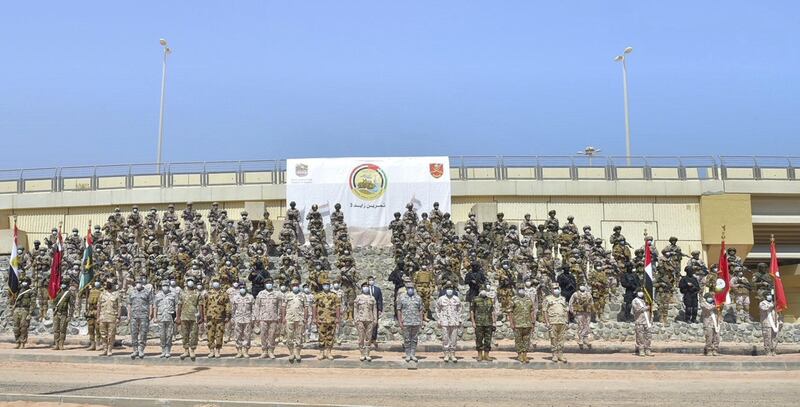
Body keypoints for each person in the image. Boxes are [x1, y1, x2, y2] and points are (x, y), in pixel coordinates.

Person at [254, 280, 283, 359]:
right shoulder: (261, 294)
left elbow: (279, 307)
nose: (268, 284)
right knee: (263, 335)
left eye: (270, 283)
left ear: (272, 284)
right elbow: (257, 306)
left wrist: (279, 317)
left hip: (273, 318)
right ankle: (264, 351)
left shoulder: (277, 294)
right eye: (267, 283)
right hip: (263, 318)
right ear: (264, 284)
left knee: (272, 335)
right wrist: (256, 317)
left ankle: (271, 351)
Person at [177, 278, 203, 361]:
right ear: (186, 283)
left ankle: (192, 350)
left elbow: (200, 305)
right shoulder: (182, 293)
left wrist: (201, 316)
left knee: (194, 334)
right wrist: (178, 317)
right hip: (184, 316)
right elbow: (179, 305)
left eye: (192, 281)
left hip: (194, 316)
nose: (190, 282)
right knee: (185, 334)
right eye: (189, 281)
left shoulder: (198, 293)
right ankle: (186, 350)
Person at [314, 281, 341, 360]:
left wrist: (337, 318)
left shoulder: (334, 295)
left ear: (330, 286)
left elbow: (338, 307)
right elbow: (314, 307)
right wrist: (314, 317)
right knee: (321, 336)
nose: (326, 286)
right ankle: (321, 353)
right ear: (322, 286)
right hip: (321, 319)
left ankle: (329, 352)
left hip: (331, 319)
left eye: (327, 285)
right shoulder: (318, 295)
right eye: (324, 284)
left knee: (330, 336)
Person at [397, 283, 424, 362]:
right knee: (407, 339)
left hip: (416, 322)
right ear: (406, 288)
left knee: (414, 339)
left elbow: (421, 310)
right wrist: (400, 321)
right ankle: (408, 354)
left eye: (411, 288)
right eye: (408, 288)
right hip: (406, 322)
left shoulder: (418, 298)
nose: (410, 289)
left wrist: (421, 321)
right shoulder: (402, 298)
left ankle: (413, 354)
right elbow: (399, 310)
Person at [435, 284, 462, 363]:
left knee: (454, 338)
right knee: (445, 338)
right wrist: (439, 318)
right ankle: (446, 354)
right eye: (447, 288)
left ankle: (453, 354)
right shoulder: (441, 299)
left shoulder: (456, 299)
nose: (449, 290)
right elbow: (437, 309)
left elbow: (460, 309)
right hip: (445, 321)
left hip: (454, 321)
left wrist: (459, 318)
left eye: (451, 288)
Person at [128, 278, 154, 359]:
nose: (138, 284)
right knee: (134, 332)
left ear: (142, 283)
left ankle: (141, 349)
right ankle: (135, 350)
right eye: (137, 282)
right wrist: (129, 315)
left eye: (140, 282)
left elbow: (150, 304)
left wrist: (150, 314)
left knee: (143, 332)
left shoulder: (147, 292)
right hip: (134, 316)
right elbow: (129, 304)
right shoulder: (131, 292)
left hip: (144, 315)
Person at [205, 280, 231, 358]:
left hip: (220, 317)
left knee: (219, 334)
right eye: (214, 282)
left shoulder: (224, 294)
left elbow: (227, 305)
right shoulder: (208, 293)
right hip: (210, 317)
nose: (216, 283)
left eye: (217, 282)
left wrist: (227, 316)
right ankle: (211, 350)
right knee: (210, 334)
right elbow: (204, 305)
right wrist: (204, 316)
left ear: (220, 284)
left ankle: (217, 350)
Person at [353, 282, 378, 362]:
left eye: (367, 287)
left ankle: (367, 353)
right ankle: (362, 353)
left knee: (369, 337)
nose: (365, 288)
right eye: (364, 287)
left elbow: (375, 310)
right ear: (362, 288)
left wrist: (375, 319)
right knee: (361, 337)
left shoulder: (372, 298)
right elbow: (355, 309)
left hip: (370, 319)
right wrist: (356, 319)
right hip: (360, 319)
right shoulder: (358, 298)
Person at [543, 283, 568, 363]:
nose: (556, 290)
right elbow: (544, 311)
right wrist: (546, 322)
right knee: (553, 338)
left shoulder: (563, 299)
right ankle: (554, 354)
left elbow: (566, 310)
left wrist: (566, 320)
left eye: (557, 288)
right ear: (551, 290)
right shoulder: (548, 299)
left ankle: (560, 354)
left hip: (562, 321)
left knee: (561, 338)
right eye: (554, 288)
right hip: (553, 321)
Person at [509, 287, 535, 363]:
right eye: (519, 289)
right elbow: (510, 312)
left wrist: (533, 322)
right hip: (517, 324)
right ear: (517, 290)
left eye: (522, 289)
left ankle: (525, 355)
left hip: (527, 324)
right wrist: (511, 323)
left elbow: (532, 311)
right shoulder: (513, 299)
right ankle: (520, 355)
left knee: (527, 340)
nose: (521, 290)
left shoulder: (528, 299)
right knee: (518, 340)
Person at [283, 281, 307, 363]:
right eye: (293, 285)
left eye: (296, 285)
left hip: (299, 318)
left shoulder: (303, 295)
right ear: (291, 286)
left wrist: (305, 317)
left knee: (299, 335)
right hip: (289, 318)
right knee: (290, 336)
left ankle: (297, 353)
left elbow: (306, 307)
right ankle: (291, 353)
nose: (295, 286)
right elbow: (284, 306)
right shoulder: (287, 295)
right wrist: (283, 317)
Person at [96, 279, 121, 356]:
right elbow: (99, 306)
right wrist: (98, 317)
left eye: (109, 283)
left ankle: (109, 350)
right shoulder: (102, 294)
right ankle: (104, 349)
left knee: (111, 335)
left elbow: (119, 307)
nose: (108, 285)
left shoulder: (117, 294)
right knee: (103, 334)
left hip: (112, 317)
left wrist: (118, 317)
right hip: (103, 317)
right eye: (107, 283)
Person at [470, 289, 495, 362]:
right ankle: (480, 355)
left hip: (488, 322)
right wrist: (473, 322)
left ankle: (486, 355)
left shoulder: (490, 300)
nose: (483, 291)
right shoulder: (475, 299)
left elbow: (492, 311)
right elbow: (472, 311)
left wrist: (494, 322)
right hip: (479, 323)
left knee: (488, 339)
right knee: (479, 339)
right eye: (482, 290)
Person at [154, 281, 178, 358]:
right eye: (164, 285)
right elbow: (155, 306)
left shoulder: (173, 295)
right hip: (161, 317)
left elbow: (176, 306)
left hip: (170, 316)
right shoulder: (158, 295)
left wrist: (177, 316)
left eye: (166, 285)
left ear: (169, 286)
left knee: (169, 334)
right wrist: (154, 317)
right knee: (162, 335)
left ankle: (168, 350)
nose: (165, 287)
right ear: (161, 286)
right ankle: (163, 350)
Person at [231, 285, 255, 358]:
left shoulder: (250, 297)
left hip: (247, 318)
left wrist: (253, 318)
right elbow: (233, 309)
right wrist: (232, 318)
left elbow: (253, 308)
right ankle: (239, 351)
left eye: (243, 288)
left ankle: (245, 350)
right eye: (240, 288)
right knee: (237, 335)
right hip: (238, 318)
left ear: (246, 288)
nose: (242, 289)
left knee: (247, 335)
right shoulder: (235, 297)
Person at [12, 278, 35, 349]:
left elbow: (33, 303)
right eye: (23, 282)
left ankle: (22, 342)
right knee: (16, 327)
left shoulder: (31, 291)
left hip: (25, 310)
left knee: (23, 327)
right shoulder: (18, 290)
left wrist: (30, 313)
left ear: (29, 283)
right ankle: (17, 342)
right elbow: (11, 296)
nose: (24, 283)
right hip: (17, 309)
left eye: (26, 282)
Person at [568, 285, 593, 350]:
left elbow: (591, 302)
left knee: (587, 325)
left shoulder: (588, 294)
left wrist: (591, 309)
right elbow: (571, 302)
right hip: (579, 311)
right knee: (581, 325)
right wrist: (572, 311)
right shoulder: (575, 294)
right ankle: (580, 339)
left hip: (587, 311)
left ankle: (586, 338)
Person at [632, 290, 654, 357]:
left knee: (648, 336)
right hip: (639, 321)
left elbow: (653, 309)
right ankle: (641, 350)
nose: (641, 293)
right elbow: (638, 309)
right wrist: (648, 307)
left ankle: (648, 349)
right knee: (640, 336)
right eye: (639, 291)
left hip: (647, 321)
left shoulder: (646, 300)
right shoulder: (635, 301)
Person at [366, 276, 383, 348]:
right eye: (370, 280)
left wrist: (380, 309)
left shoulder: (377, 289)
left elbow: (380, 300)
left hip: (375, 308)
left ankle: (374, 338)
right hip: (367, 309)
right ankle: (368, 338)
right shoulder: (365, 289)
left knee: (375, 323)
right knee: (367, 323)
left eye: (372, 280)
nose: (371, 281)